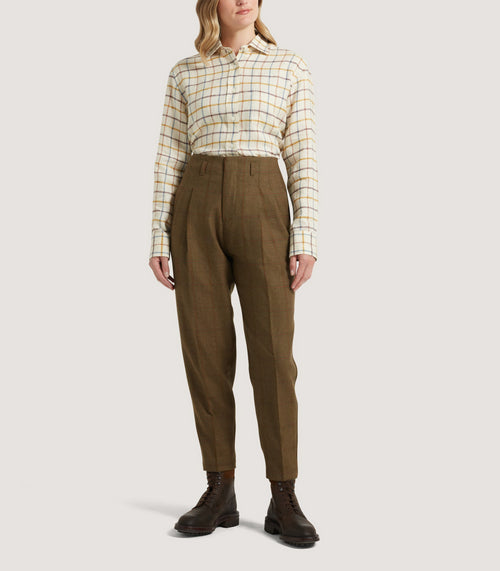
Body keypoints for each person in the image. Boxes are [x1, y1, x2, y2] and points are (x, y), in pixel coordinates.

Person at [148, 0, 320, 547]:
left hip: (263, 200)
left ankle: (283, 494)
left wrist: (305, 235)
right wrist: (159, 235)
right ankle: (219, 486)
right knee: (205, 351)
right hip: (195, 204)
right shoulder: (185, 72)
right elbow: (170, 153)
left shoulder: (288, 65)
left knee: (273, 354)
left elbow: (302, 151)